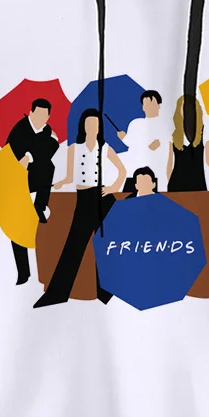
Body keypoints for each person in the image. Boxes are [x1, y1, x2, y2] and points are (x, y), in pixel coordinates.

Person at [34, 108, 126, 308]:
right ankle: (57, 293)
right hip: (83, 198)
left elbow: (122, 171)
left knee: (104, 244)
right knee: (74, 245)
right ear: (83, 126)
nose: (92, 127)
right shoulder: (74, 148)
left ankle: (106, 292)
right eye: (88, 123)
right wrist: (58, 184)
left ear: (100, 127)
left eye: (95, 124)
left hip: (101, 197)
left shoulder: (105, 148)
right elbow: (69, 176)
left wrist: (113, 187)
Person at [7, 98, 59, 285]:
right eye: (37, 114)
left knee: (49, 166)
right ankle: (23, 273)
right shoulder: (19, 129)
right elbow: (11, 151)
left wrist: (29, 155)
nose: (41, 119)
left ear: (48, 116)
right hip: (17, 182)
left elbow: (52, 146)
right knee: (17, 228)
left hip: (38, 181)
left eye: (45, 116)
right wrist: (27, 155)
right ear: (30, 113)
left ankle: (40, 206)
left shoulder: (47, 131)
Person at [117, 91, 168, 191]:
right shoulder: (136, 123)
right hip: (133, 169)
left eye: (151, 104)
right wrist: (124, 138)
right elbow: (131, 144)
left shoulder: (163, 125)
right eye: (145, 104)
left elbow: (154, 147)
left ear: (159, 105)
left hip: (156, 171)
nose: (148, 107)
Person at [166, 94, 207, 191]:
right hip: (177, 183)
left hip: (198, 183)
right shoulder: (174, 135)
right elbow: (170, 162)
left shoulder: (204, 133)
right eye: (183, 107)